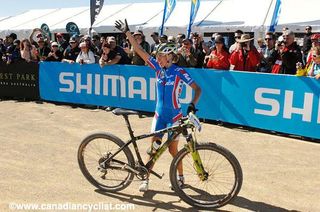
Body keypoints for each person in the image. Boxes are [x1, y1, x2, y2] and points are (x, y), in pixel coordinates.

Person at [115, 19, 201, 192]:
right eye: (157, 56)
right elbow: (139, 51)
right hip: (159, 116)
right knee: (153, 149)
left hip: (175, 116)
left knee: (173, 150)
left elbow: (197, 89)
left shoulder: (178, 71)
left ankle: (180, 178)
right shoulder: (158, 69)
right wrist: (127, 32)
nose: (157, 58)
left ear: (169, 56)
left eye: (160, 56)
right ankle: (145, 178)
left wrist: (192, 105)